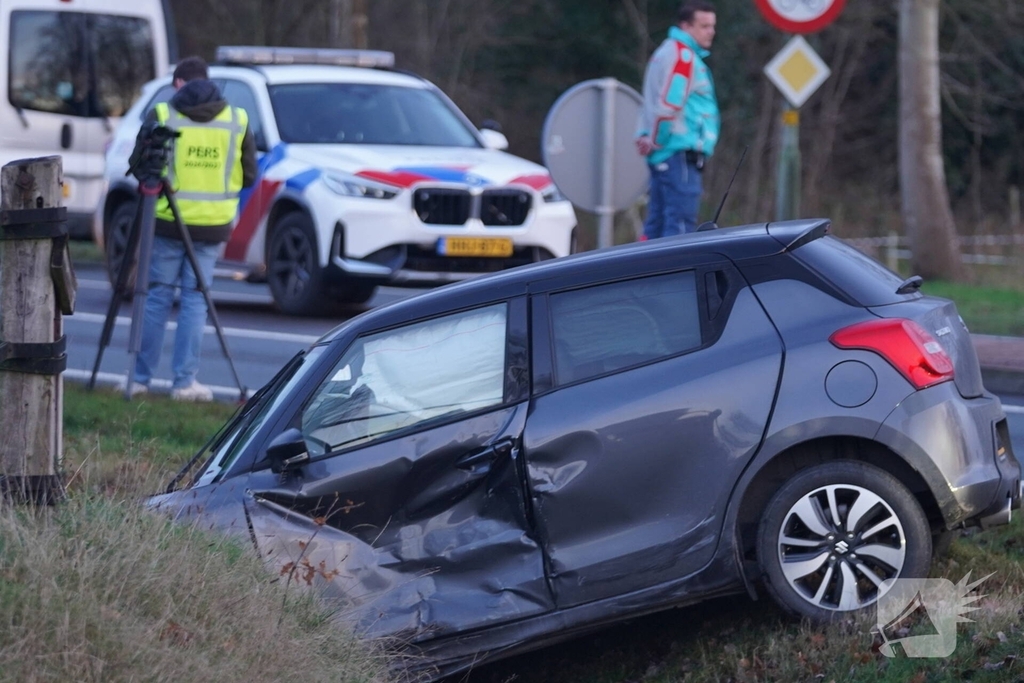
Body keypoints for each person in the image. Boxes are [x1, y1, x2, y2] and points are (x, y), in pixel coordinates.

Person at [126, 56, 258, 401]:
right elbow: (250, 175)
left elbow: (139, 166)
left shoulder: (164, 115)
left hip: (169, 219)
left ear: (179, 84)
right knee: (195, 300)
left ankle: (139, 379)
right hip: (213, 224)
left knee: (156, 296)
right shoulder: (237, 119)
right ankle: (184, 383)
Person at [636, 2, 720, 239]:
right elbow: (668, 107)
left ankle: (644, 274)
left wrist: (646, 137)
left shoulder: (665, 52)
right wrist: (658, 141)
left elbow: (649, 103)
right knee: (680, 227)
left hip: (667, 154)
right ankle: (674, 276)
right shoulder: (683, 57)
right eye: (704, 26)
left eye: (712, 26)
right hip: (678, 153)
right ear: (685, 26)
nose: (711, 31)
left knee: (656, 225)